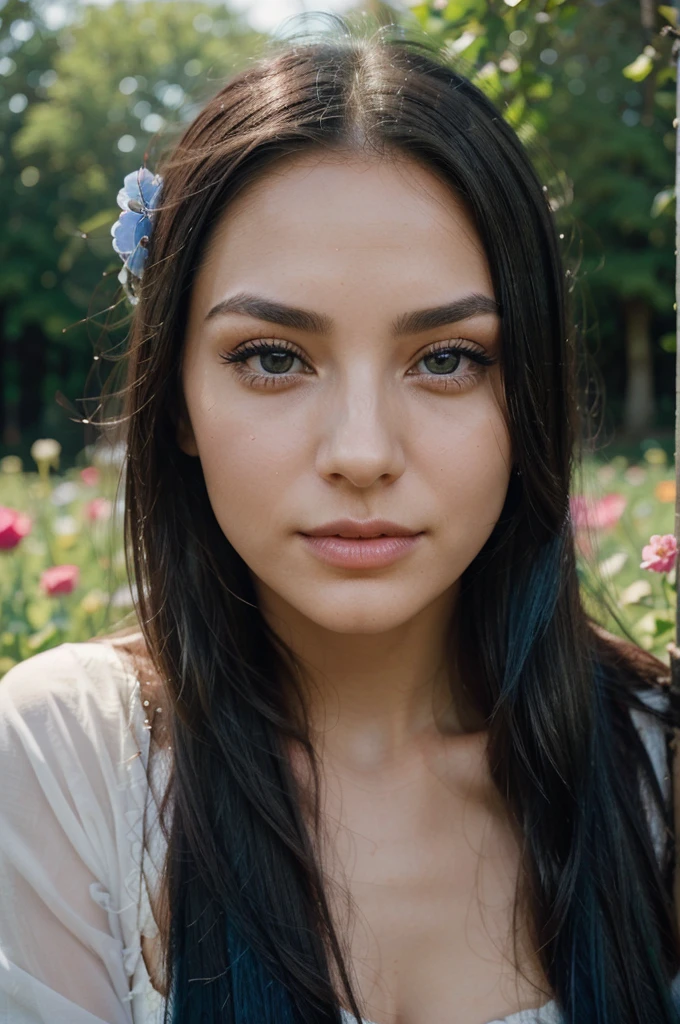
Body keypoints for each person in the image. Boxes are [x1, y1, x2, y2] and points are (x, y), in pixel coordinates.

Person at [1, 15, 679, 1024]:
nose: (361, 452)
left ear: (526, 388)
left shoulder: (652, 770)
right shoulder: (74, 767)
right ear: (176, 398)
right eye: (272, 357)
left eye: (446, 357)